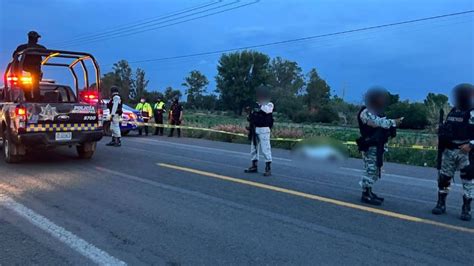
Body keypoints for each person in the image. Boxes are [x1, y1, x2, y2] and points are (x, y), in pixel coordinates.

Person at [432, 83, 474, 221]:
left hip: (465, 152)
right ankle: (441, 203)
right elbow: (448, 128)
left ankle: (466, 208)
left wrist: (471, 144)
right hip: (449, 150)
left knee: (468, 180)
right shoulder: (453, 110)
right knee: (444, 178)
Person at [356, 87, 403, 205]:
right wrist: (393, 122)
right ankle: (366, 194)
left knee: (375, 170)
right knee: (370, 169)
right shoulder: (366, 112)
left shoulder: (376, 112)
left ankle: (370, 192)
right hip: (370, 145)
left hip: (378, 145)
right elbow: (378, 123)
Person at [244, 85, 274, 176]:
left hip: (264, 129)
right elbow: (251, 117)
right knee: (254, 148)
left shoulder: (269, 104)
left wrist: (259, 105)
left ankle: (268, 168)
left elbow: (267, 111)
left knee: (265, 149)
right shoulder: (255, 105)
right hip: (255, 128)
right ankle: (254, 165)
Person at [13, 31, 46, 101]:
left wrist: (18, 64)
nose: (37, 40)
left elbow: (14, 56)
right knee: (34, 84)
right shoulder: (39, 48)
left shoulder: (22, 47)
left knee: (33, 84)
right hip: (29, 70)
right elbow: (48, 54)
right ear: (34, 39)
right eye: (36, 38)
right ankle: (34, 98)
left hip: (29, 70)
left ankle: (33, 97)